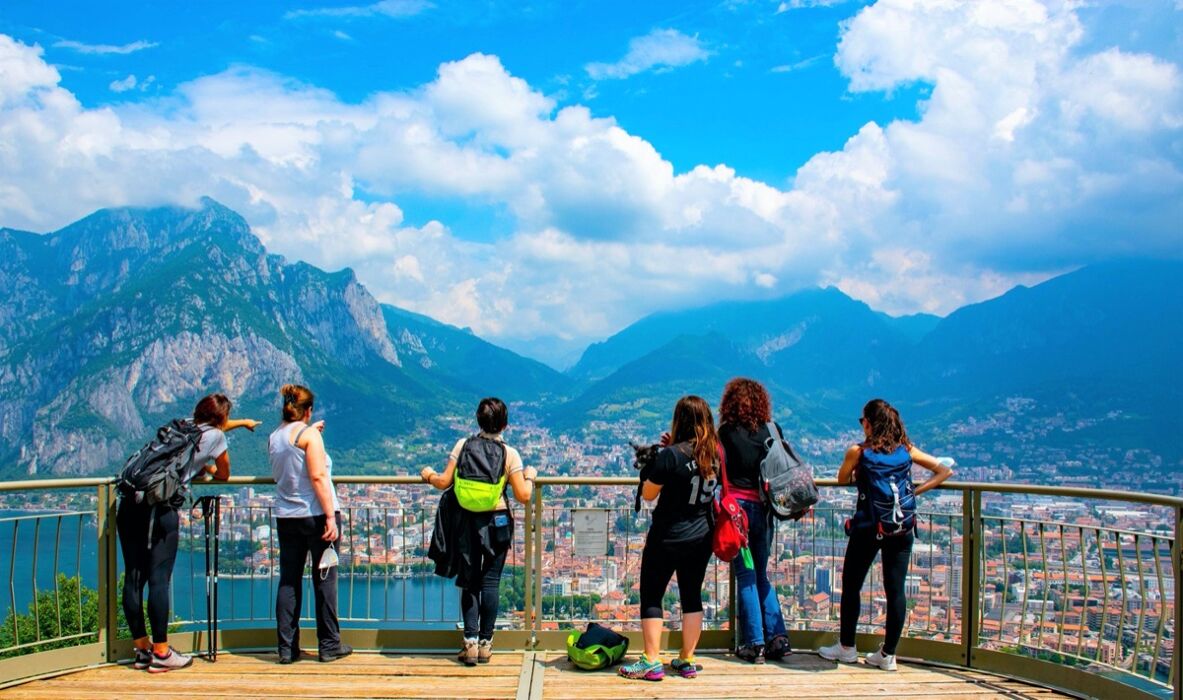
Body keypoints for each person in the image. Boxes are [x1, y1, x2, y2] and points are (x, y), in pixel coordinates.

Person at [118, 393, 260, 673]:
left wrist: (241, 422)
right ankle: (161, 652)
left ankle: (142, 649)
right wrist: (204, 467)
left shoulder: (182, 425)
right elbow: (224, 474)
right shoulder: (217, 438)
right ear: (222, 418)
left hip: (130, 504)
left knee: (133, 578)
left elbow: (212, 427)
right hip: (159, 511)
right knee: (159, 580)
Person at [819, 398, 953, 671]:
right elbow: (944, 470)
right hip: (901, 528)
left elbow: (842, 479)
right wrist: (915, 492)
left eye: (862, 420)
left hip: (868, 527)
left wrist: (857, 469)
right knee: (896, 590)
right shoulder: (906, 449)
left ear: (868, 423)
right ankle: (888, 654)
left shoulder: (858, 451)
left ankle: (846, 647)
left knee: (852, 585)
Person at [422, 397, 536, 666]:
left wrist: (427, 474)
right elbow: (523, 494)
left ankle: (470, 643)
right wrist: (530, 475)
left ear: (478, 420)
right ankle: (486, 643)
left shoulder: (463, 446)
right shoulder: (510, 454)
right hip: (496, 521)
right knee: (491, 582)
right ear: (505, 424)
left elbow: (443, 481)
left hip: (466, 522)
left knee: (470, 581)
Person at [619, 395, 718, 682]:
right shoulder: (714, 454)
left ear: (680, 421)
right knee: (691, 595)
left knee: (652, 594)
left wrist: (658, 462)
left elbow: (649, 494)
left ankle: (651, 660)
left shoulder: (672, 455)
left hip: (668, 535)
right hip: (702, 534)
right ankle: (687, 660)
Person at [269, 384, 351, 664]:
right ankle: (329, 645)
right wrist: (330, 516)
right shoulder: (309, 437)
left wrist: (310, 432)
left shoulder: (276, 436)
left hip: (286, 517)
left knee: (289, 581)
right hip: (316, 516)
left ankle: (286, 648)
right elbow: (317, 477)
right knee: (325, 580)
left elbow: (293, 460)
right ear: (308, 410)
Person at [716, 378, 792, 663]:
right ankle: (778, 638)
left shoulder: (724, 433)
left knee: (746, 575)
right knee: (761, 574)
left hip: (737, 513)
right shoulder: (772, 430)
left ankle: (754, 643)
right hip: (763, 509)